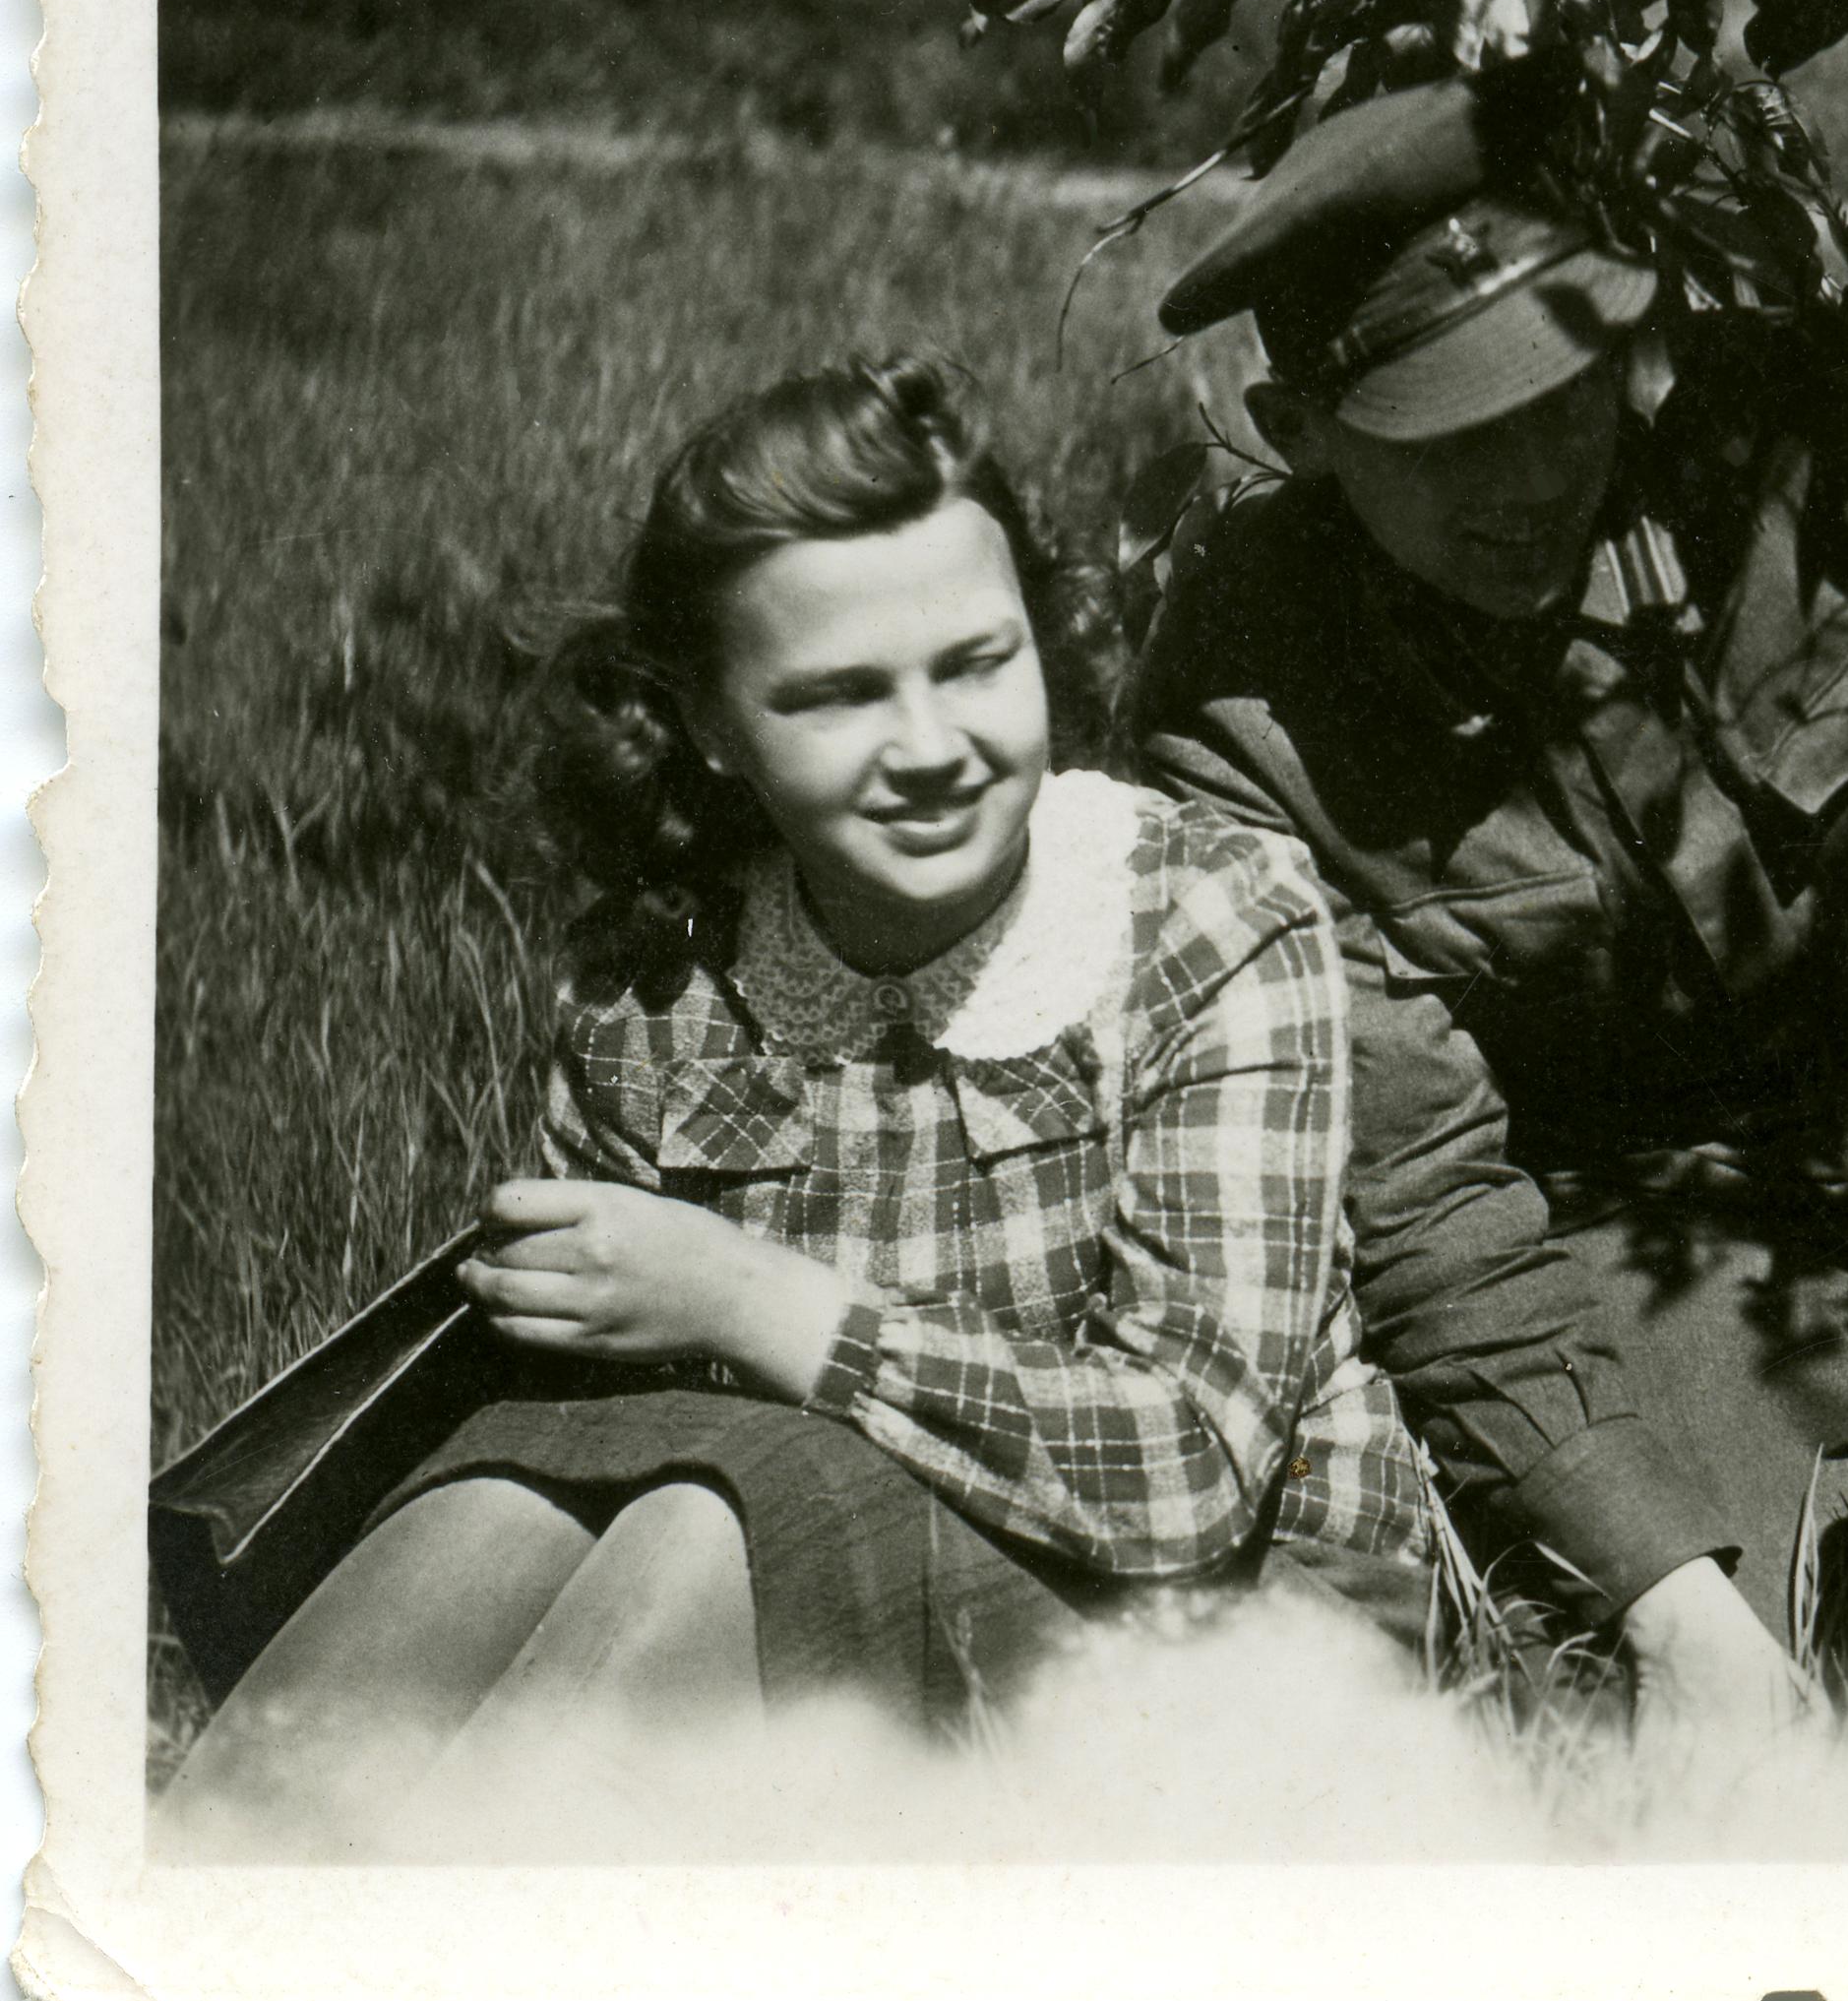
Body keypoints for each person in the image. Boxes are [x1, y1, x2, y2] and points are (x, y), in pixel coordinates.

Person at [1128, 61, 1848, 1739]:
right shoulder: (1241, 706)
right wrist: (1667, 1602)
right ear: (1297, 433)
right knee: (1747, 1632)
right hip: (1645, 1231)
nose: (1532, 473)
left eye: (1564, 391)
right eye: (1451, 435)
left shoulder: (1792, 437)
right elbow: (1425, 1197)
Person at [166, 354, 1431, 1831]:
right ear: (712, 724)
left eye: (978, 662)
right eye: (837, 697)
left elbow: (1189, 1472)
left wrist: (744, 1297)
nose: (932, 749)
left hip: (1229, 1636)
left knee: (717, 1519)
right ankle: (220, 1888)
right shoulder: (664, 979)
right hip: (822, 1529)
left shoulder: (1198, 915)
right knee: (519, 1494)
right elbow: (614, 1417)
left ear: (1041, 635)